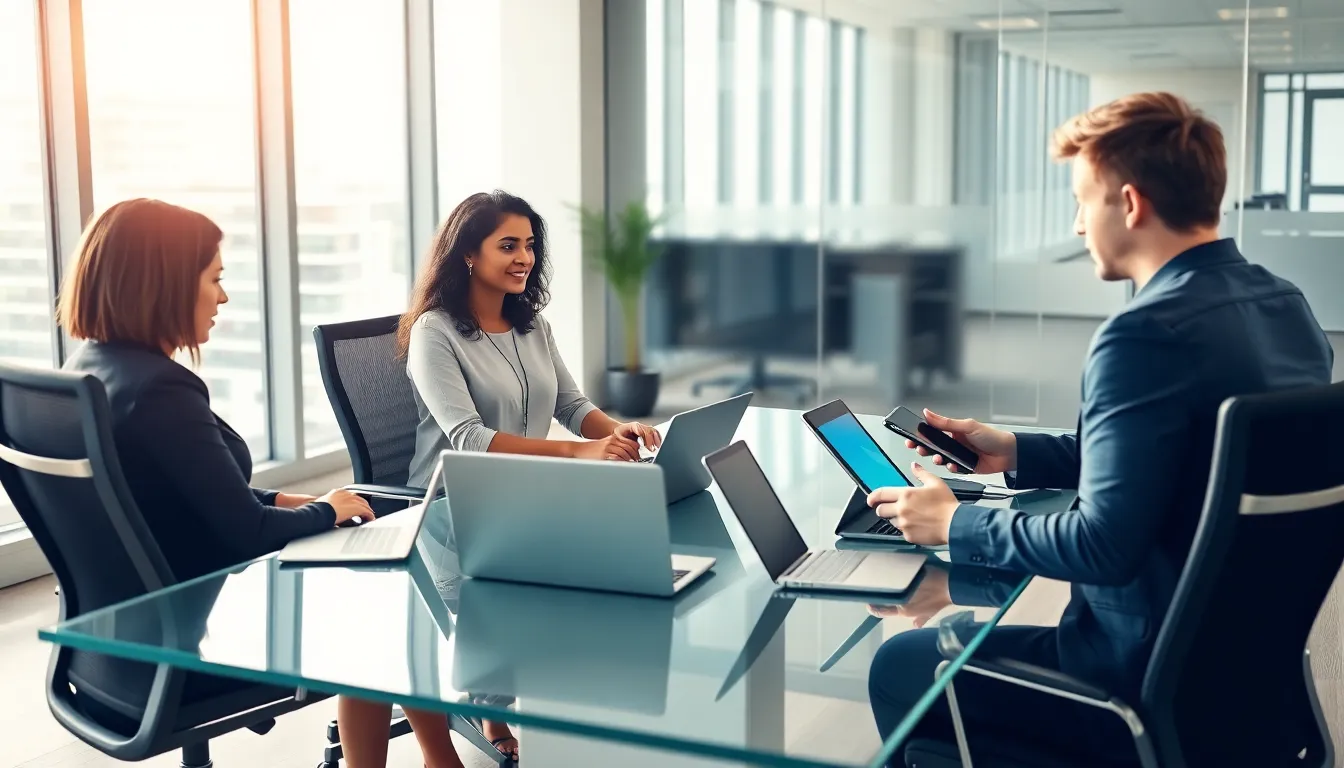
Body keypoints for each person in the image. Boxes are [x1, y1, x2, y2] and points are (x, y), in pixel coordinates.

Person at [865, 92, 1335, 760]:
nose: (1079, 225)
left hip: (1131, 682)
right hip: (1241, 672)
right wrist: (1015, 451)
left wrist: (953, 524)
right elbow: (1187, 462)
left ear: (1132, 204)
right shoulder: (1283, 307)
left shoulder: (1142, 335)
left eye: (1084, 201)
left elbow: (1102, 547)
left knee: (903, 665)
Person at [57, 198, 459, 768]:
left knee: (375, 587)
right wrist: (327, 512)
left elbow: (168, 494)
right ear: (164, 283)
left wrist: (284, 498)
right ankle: (440, 761)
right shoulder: (164, 391)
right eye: (214, 279)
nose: (222, 297)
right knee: (388, 603)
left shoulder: (92, 370)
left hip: (110, 652)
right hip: (188, 649)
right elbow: (248, 535)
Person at [399, 189, 660, 489]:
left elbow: (571, 406)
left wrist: (619, 431)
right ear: (468, 254)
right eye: (508, 247)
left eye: (530, 246)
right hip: (450, 504)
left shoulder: (534, 326)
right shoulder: (433, 332)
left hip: (524, 488)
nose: (524, 258)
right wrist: (577, 452)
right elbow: (470, 439)